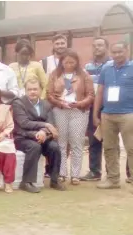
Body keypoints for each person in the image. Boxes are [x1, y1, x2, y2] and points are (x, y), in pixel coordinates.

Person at [46, 49, 94, 185]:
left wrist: (79, 103)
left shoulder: (84, 75)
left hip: (78, 111)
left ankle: (75, 175)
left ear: (77, 62)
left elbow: (91, 95)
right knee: (61, 142)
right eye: (66, 62)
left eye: (72, 62)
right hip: (60, 110)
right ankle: (61, 173)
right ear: (61, 62)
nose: (69, 65)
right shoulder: (54, 75)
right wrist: (60, 103)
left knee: (77, 143)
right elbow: (48, 94)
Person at [11, 78, 66, 193]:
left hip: (43, 136)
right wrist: (42, 128)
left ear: (41, 90)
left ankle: (55, 180)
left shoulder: (46, 104)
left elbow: (52, 124)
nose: (32, 92)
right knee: (34, 146)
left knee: (54, 147)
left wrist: (43, 133)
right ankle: (26, 182)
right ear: (25, 90)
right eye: (29, 89)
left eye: (35, 89)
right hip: (23, 137)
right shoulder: (18, 103)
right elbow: (24, 123)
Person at [94, 41, 133, 189]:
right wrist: (96, 114)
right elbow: (100, 92)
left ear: (127, 50)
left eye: (120, 52)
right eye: (114, 52)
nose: (117, 55)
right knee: (109, 147)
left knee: (131, 148)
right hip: (107, 114)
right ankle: (113, 179)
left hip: (129, 114)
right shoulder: (106, 68)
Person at [81, 37, 111, 182]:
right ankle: (94, 171)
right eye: (94, 46)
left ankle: (112, 172)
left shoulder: (112, 65)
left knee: (110, 141)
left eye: (100, 45)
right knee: (94, 140)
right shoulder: (87, 67)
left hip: (110, 107)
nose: (97, 48)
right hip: (93, 107)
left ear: (107, 47)